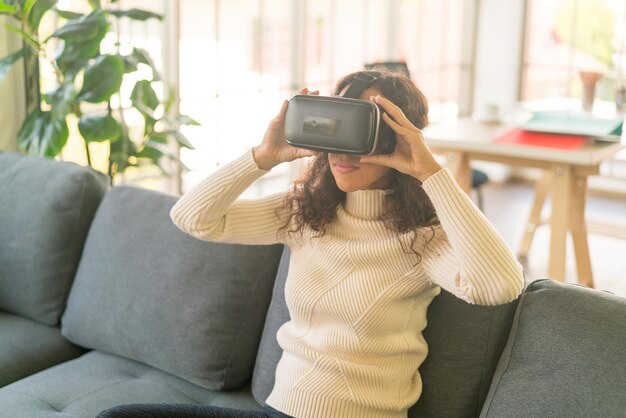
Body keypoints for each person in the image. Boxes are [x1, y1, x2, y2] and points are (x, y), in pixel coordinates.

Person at [97, 71, 524, 418]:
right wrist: (261, 157)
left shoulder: (422, 241)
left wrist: (430, 172)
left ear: (400, 136)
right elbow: (192, 218)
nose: (346, 150)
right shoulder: (303, 215)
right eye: (340, 123)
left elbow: (500, 286)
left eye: (367, 128)